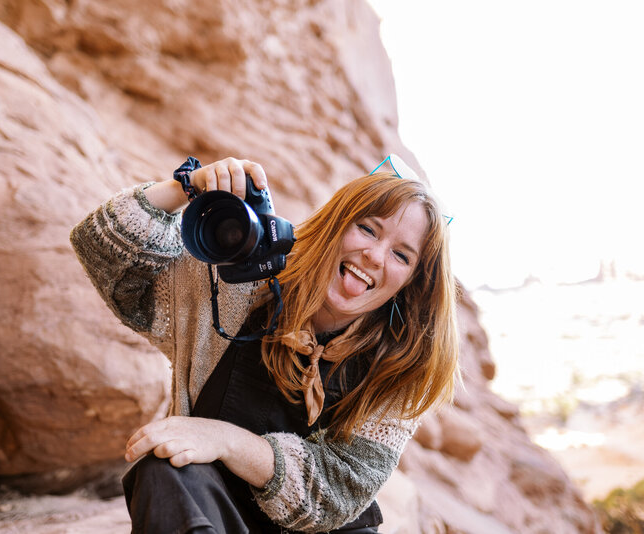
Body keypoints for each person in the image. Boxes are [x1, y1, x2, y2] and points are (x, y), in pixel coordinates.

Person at [69, 156, 459, 533]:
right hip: (208, 507)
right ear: (335, 225)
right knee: (163, 466)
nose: (374, 256)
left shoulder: (403, 366)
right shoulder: (237, 286)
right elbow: (101, 249)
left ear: (412, 282)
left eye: (401, 255)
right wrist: (185, 186)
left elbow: (336, 495)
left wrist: (224, 439)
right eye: (368, 229)